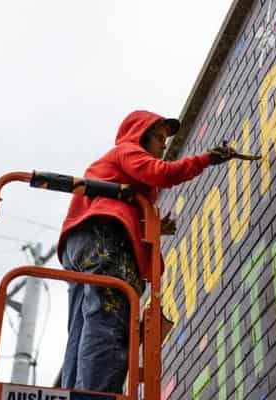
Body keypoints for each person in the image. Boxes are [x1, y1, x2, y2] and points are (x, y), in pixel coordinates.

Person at [57, 110, 233, 393]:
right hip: (102, 239)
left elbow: (119, 206)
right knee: (110, 321)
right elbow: (161, 173)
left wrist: (151, 226)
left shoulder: (120, 172)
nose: (164, 146)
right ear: (142, 135)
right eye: (160, 138)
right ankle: (97, 394)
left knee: (82, 325)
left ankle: (74, 391)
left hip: (83, 243)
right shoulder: (128, 151)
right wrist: (206, 159)